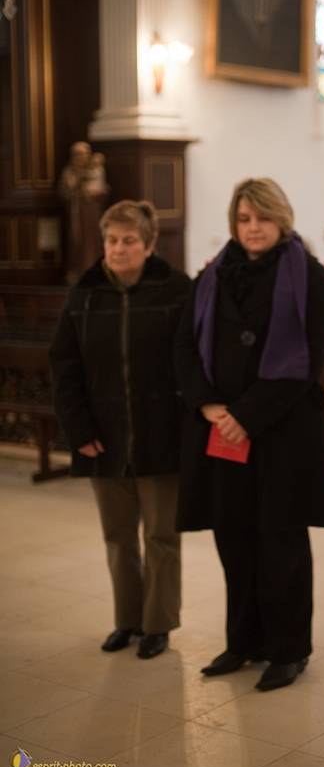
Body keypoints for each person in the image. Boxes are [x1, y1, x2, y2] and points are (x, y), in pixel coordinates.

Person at [175, 177, 324, 691]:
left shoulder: (310, 277)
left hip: (284, 432)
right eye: (244, 219)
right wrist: (207, 402)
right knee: (234, 536)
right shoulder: (212, 275)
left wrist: (245, 412)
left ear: (281, 219)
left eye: (262, 218)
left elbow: (308, 360)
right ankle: (243, 641)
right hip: (222, 429)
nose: (253, 228)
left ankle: (289, 650)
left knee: (281, 540)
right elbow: (183, 345)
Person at [49, 200, 190, 660]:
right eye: (112, 240)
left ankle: (158, 624)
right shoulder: (84, 294)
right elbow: (64, 368)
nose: (118, 249)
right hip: (103, 436)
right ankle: (126, 620)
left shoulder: (175, 291)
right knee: (117, 535)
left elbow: (192, 365)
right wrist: (78, 429)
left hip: (160, 435)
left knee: (162, 536)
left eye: (129, 240)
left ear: (149, 245)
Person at [58, 141, 109, 282]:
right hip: (77, 211)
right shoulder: (69, 171)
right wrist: (77, 186)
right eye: (78, 154)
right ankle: (77, 272)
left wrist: (96, 192)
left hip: (93, 211)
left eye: (85, 153)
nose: (82, 157)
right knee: (78, 241)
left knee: (94, 240)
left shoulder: (97, 170)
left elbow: (102, 189)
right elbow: (65, 192)